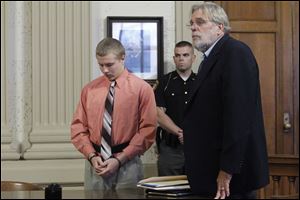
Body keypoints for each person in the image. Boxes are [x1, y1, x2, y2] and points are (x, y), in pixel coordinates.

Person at [183, 2, 269, 199]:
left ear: (219, 27)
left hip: (230, 178)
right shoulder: (210, 58)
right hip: (210, 170)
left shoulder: (235, 53)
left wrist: (227, 169)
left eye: (200, 22)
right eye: (191, 24)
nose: (194, 28)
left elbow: (239, 117)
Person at [71, 38, 157, 190]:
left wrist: (119, 159)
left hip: (128, 164)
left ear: (123, 58)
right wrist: (91, 156)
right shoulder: (89, 90)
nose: (104, 70)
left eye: (109, 64)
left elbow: (147, 131)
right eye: (100, 65)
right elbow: (78, 128)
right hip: (95, 163)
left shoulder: (142, 89)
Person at [154, 41, 196, 176]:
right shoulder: (164, 82)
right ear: (174, 59)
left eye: (185, 55)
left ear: (193, 58)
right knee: (168, 191)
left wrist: (191, 136)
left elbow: (208, 114)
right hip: (170, 147)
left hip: (198, 147)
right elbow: (158, 114)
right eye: (178, 55)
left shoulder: (201, 82)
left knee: (197, 190)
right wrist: (180, 133)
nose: (181, 58)